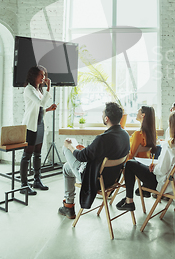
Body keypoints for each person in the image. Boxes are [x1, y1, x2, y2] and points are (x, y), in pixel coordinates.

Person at [58, 102, 130, 219]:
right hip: (111, 179)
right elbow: (103, 152)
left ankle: (69, 206)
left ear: (106, 118)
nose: (102, 116)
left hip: (94, 180)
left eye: (102, 114)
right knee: (67, 168)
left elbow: (81, 157)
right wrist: (87, 149)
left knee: (66, 146)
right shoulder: (125, 135)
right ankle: (68, 206)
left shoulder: (102, 138)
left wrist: (71, 147)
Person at [116, 109, 175, 211]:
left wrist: (154, 167)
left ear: (172, 125)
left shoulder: (171, 145)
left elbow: (161, 170)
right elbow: (171, 164)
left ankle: (129, 201)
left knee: (130, 164)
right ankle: (138, 194)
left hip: (166, 185)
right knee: (143, 165)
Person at [20, 65, 57, 195]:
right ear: (34, 76)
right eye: (41, 75)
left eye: (44, 75)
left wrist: (48, 110)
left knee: (38, 154)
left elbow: (39, 109)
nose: (44, 77)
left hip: (40, 124)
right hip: (31, 127)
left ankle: (37, 180)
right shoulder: (28, 89)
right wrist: (49, 87)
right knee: (27, 155)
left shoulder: (37, 90)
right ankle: (24, 185)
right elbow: (40, 103)